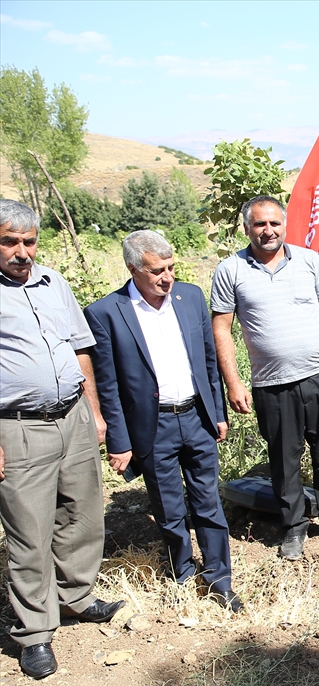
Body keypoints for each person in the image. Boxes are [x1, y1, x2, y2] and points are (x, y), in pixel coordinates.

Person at [0, 199, 124, 680]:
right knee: (28, 532)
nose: (21, 251)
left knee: (82, 512)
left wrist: (92, 412)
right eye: (10, 241)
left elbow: (79, 347)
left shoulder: (53, 282)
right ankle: (33, 633)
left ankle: (75, 598)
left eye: (29, 242)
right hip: (17, 424)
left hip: (71, 414)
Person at [85, 231, 241, 611]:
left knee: (208, 501)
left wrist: (217, 414)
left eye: (171, 268)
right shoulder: (107, 312)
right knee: (169, 507)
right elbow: (109, 386)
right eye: (157, 271)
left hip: (196, 417)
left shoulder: (189, 299)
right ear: (133, 268)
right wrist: (119, 441)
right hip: (153, 428)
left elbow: (208, 362)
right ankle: (183, 572)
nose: (167, 278)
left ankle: (219, 577)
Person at [210, 195, 319, 561]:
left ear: (284, 225)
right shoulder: (230, 271)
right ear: (246, 228)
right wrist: (234, 382)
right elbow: (222, 329)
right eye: (260, 224)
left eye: (274, 223)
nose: (268, 230)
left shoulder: (309, 261)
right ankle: (293, 527)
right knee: (283, 458)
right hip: (271, 384)